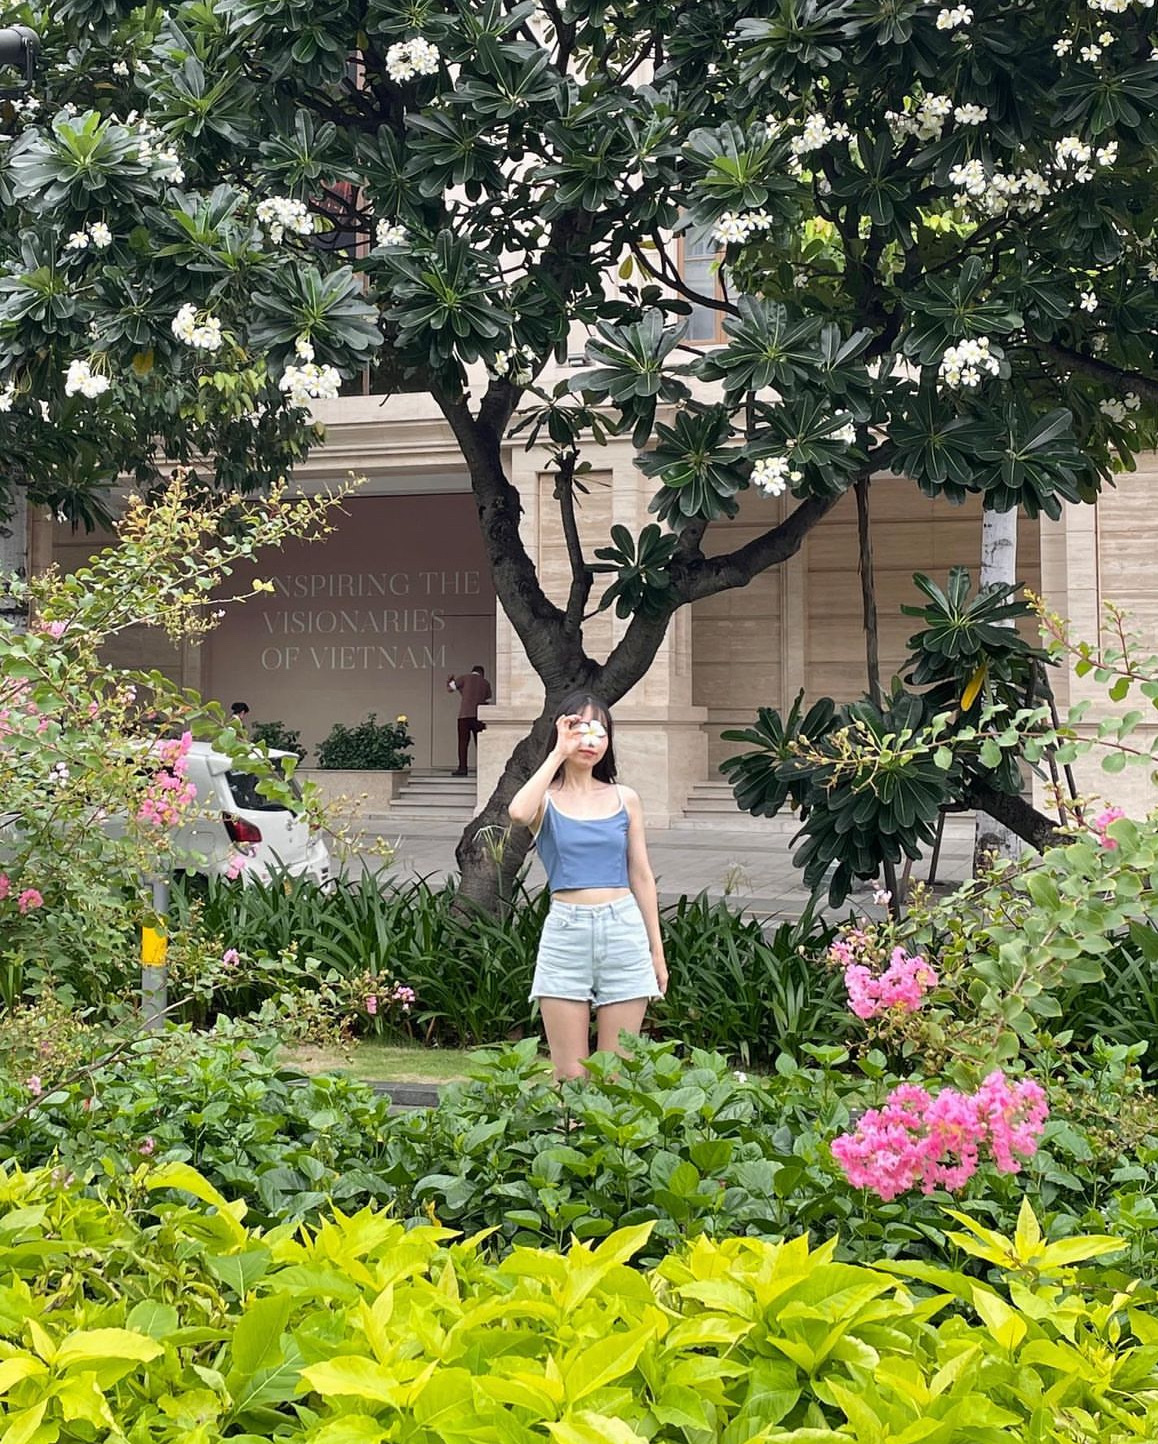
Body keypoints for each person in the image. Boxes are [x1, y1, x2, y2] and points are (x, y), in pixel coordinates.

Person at [508, 691, 667, 1081]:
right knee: (570, 1077)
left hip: (623, 929)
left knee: (615, 1076)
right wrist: (557, 754)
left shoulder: (625, 798)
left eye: (600, 731)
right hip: (567, 932)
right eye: (579, 729)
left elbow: (641, 875)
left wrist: (657, 951)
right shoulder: (545, 800)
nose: (590, 740)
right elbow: (518, 813)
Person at [446, 665, 492, 776]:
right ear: (482, 673)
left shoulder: (464, 678)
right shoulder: (485, 683)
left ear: (472, 671)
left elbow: (450, 688)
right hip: (479, 717)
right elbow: (488, 700)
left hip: (464, 716)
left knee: (463, 743)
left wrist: (449, 681)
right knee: (480, 743)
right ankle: (483, 768)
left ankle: (462, 768)